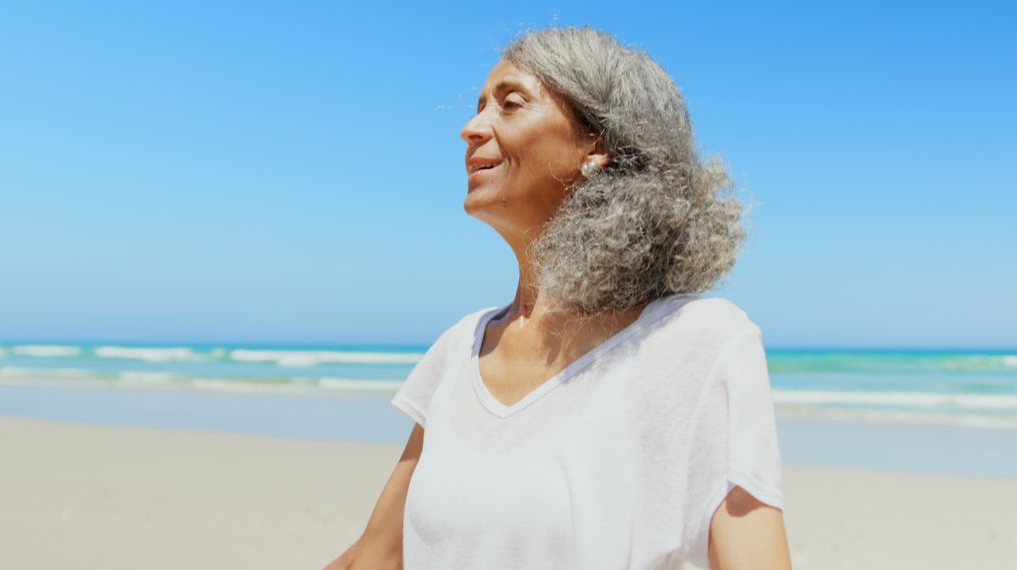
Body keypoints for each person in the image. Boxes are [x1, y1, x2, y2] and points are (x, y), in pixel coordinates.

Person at [327, 27, 791, 570]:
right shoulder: (461, 348)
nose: (471, 128)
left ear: (597, 145)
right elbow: (379, 555)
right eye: (478, 107)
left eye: (511, 103)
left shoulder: (697, 342)